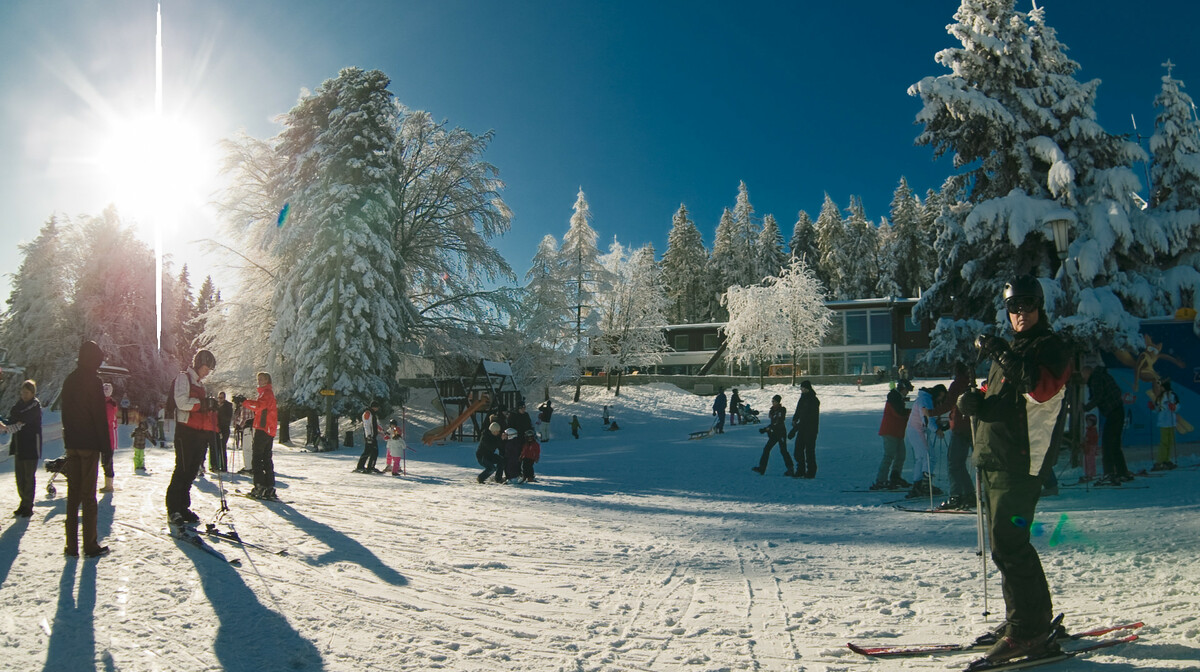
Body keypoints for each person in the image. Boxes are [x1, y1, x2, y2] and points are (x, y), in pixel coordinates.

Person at [956, 275, 1072, 666]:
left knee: (1011, 545)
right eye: (1013, 307)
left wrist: (1003, 352)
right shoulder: (1011, 351)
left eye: (1028, 305)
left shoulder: (1051, 347)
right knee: (1004, 547)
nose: (1021, 313)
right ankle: (1022, 620)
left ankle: (1029, 630)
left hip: (1022, 461)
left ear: (1040, 307)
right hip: (995, 457)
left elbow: (1038, 390)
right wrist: (977, 405)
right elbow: (1006, 404)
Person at [60, 341, 112, 557]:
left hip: (73, 444)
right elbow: (100, 418)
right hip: (89, 445)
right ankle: (90, 544)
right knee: (88, 496)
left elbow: (64, 413)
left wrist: (69, 440)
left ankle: (71, 545)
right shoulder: (94, 381)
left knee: (73, 495)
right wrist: (106, 449)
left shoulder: (70, 380)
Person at [166, 350, 219, 527]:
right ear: (198, 364)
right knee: (182, 468)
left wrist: (210, 407)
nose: (207, 372)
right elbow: (181, 402)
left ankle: (183, 507)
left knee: (191, 472)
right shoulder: (184, 378)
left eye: (209, 369)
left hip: (199, 433)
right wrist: (202, 404)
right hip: (185, 431)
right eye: (206, 368)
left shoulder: (200, 384)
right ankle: (173, 509)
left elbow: (200, 407)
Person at [934, 362, 975, 510]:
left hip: (960, 428)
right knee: (961, 463)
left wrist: (930, 412)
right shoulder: (972, 384)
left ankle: (956, 496)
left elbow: (949, 404)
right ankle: (969, 494)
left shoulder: (957, 384)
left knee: (953, 463)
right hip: (971, 427)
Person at [1081, 365, 1130, 485]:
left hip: (1113, 412)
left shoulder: (1096, 378)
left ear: (1088, 373)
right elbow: (1116, 391)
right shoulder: (1103, 375)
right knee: (1114, 444)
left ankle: (1109, 473)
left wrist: (1085, 408)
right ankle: (1122, 472)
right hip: (1118, 410)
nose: (1084, 379)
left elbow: (1098, 396)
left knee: (1107, 444)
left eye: (1084, 376)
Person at [5, 379, 42, 518]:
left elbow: (23, 419)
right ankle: (23, 502)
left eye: (26, 393)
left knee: (28, 476)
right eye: (22, 392)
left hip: (31, 445)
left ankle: (28, 504)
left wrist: (16, 420)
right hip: (19, 444)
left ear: (32, 393)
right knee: (20, 477)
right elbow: (13, 416)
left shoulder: (35, 406)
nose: (24, 395)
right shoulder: (18, 405)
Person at [240, 372, 279, 499]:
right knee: (266, 458)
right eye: (258, 379)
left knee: (257, 457)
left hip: (263, 430)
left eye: (262, 379)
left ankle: (260, 486)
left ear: (268, 380)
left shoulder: (266, 393)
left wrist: (244, 402)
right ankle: (269, 486)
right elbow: (262, 411)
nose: (259, 381)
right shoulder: (266, 393)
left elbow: (259, 406)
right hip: (268, 429)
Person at [906, 383, 947, 497]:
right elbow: (927, 418)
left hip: (916, 430)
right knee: (930, 457)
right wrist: (936, 430)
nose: (940, 399)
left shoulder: (925, 398)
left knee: (921, 458)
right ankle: (925, 485)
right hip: (917, 430)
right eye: (940, 396)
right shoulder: (925, 400)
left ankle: (918, 484)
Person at [872, 380, 912, 489]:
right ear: (902, 389)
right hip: (890, 431)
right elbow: (900, 413)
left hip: (897, 431)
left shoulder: (897, 398)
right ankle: (881, 480)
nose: (907, 392)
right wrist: (909, 410)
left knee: (900, 456)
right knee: (889, 456)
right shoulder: (894, 398)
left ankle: (895, 477)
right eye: (906, 390)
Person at [752, 395, 794, 476]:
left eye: (774, 401)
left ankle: (790, 469)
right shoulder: (772, 410)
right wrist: (767, 429)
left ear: (778, 402)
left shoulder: (782, 410)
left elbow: (778, 422)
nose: (773, 403)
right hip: (774, 433)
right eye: (772, 401)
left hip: (781, 432)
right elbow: (773, 422)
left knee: (783, 450)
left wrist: (766, 429)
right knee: (766, 449)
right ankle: (762, 468)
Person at [789, 380, 820, 478]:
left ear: (807, 388)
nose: (801, 390)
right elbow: (798, 410)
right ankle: (800, 470)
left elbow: (808, 417)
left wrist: (795, 429)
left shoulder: (814, 400)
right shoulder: (802, 398)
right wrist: (795, 419)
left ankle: (811, 471)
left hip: (810, 429)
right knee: (798, 451)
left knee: (809, 451)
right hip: (802, 428)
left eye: (802, 388)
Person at [1151, 379, 1180, 470]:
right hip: (1163, 423)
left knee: (1169, 442)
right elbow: (1157, 409)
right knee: (1164, 442)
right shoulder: (1160, 397)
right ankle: (1159, 461)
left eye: (1162, 386)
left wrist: (1174, 407)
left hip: (1171, 422)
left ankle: (1166, 460)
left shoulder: (1173, 395)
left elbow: (1178, 406)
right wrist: (1152, 408)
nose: (1161, 388)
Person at [356, 401, 384, 474]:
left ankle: (361, 466)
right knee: (374, 452)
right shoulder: (367, 413)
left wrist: (383, 431)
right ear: (374, 407)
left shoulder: (372, 414)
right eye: (377, 407)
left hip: (372, 436)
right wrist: (368, 436)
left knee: (367, 451)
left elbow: (376, 424)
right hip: (370, 436)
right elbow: (366, 425)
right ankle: (370, 467)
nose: (377, 409)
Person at [100, 382, 118, 493]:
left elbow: (107, 421)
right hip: (106, 437)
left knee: (107, 461)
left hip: (108, 438)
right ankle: (108, 484)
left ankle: (109, 485)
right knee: (106, 460)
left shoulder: (109, 405)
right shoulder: (107, 403)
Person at [214, 391, 234, 472]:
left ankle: (224, 466)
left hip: (224, 429)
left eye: (221, 398)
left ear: (224, 398)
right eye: (218, 398)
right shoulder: (216, 406)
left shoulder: (228, 406)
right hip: (217, 428)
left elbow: (227, 418)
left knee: (222, 447)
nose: (219, 399)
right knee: (217, 447)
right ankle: (217, 465)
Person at [1081, 414, 1099, 481]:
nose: (1088, 423)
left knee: (1090, 460)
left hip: (1091, 447)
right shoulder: (1088, 429)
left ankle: (1091, 473)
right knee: (1086, 460)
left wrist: (1088, 440)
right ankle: (1087, 473)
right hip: (1087, 447)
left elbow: (1094, 439)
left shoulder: (1093, 430)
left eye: (1089, 422)